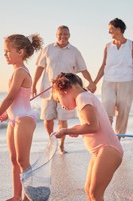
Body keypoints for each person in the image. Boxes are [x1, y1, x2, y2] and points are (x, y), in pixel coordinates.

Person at [52, 72, 123, 201]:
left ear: (66, 91)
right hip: (100, 151)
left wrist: (67, 131)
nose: (61, 105)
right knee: (88, 190)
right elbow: (89, 125)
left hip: (108, 149)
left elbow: (92, 125)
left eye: (58, 100)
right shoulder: (85, 98)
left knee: (95, 192)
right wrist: (77, 129)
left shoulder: (83, 99)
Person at [0, 33, 43, 201]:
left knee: (23, 160)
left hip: (24, 119)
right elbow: (17, 100)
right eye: (4, 52)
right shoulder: (16, 72)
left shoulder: (20, 72)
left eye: (7, 51)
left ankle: (28, 198)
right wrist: (5, 115)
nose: (5, 55)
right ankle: (17, 195)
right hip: (14, 119)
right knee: (14, 159)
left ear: (20, 51)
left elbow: (10, 98)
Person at [32, 25, 96, 154]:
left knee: (62, 118)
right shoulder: (48, 49)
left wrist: (91, 82)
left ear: (69, 35)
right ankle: (52, 142)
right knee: (48, 118)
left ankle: (61, 145)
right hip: (48, 89)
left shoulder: (74, 51)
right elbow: (39, 68)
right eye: (60, 34)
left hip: (66, 91)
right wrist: (34, 85)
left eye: (65, 34)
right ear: (56, 35)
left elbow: (83, 69)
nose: (63, 36)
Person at [93, 18, 133, 137]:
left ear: (119, 30)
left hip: (127, 82)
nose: (109, 33)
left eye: (111, 30)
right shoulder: (108, 46)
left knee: (123, 111)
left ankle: (118, 138)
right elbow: (103, 65)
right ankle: (107, 136)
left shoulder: (131, 45)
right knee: (107, 108)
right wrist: (94, 82)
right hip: (108, 82)